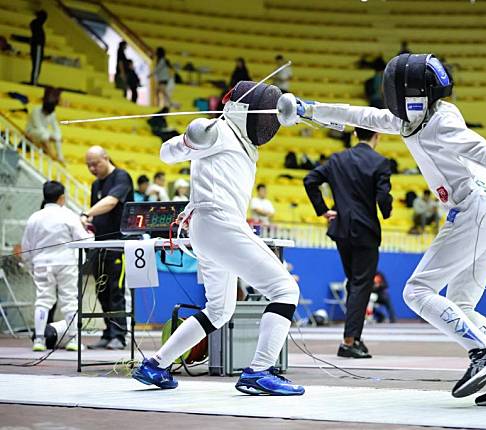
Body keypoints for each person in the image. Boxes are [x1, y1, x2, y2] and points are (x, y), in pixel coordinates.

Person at [292, 53, 486, 405]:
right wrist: (307, 108)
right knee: (461, 306)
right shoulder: (410, 121)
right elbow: (355, 114)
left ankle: (485, 352)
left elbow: (476, 145)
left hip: (474, 210)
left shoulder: (442, 120)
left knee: (416, 292)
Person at [131, 80, 304, 396]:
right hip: (219, 224)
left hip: (208, 228)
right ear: (244, 111)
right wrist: (189, 140)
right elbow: (166, 152)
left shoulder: (240, 140)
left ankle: (156, 364)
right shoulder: (220, 131)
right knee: (285, 289)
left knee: (219, 310)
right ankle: (259, 370)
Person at [304, 127, 393, 359]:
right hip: (365, 230)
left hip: (341, 229)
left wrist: (323, 210)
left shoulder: (337, 158)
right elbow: (383, 197)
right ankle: (349, 341)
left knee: (354, 283)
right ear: (377, 136)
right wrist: (387, 210)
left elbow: (310, 179)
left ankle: (354, 336)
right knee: (361, 284)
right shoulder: (380, 162)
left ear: (355, 135)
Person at [21, 181, 93, 351]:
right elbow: (85, 240)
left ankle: (39, 340)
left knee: (43, 300)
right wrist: (90, 232)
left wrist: (29, 263)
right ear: (62, 198)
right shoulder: (68, 215)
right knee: (69, 301)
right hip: (66, 263)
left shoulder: (34, 217)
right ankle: (74, 340)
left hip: (41, 264)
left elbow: (26, 245)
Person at [82, 146, 134, 350]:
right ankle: (108, 331)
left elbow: (111, 202)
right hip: (100, 244)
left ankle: (120, 335)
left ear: (106, 157)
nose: (92, 168)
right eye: (88, 166)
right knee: (101, 290)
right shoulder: (96, 185)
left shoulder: (122, 177)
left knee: (116, 291)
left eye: (95, 164)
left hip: (118, 245)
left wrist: (86, 214)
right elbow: (98, 214)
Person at [25, 88, 64, 163]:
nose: (47, 115)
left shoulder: (52, 114)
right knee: (45, 135)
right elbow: (38, 126)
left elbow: (56, 127)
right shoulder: (36, 111)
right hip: (32, 131)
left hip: (44, 132)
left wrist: (58, 136)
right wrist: (50, 137)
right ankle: (51, 154)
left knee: (57, 135)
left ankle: (60, 156)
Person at [29, 10, 47, 85]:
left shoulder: (35, 24)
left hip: (35, 46)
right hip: (38, 47)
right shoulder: (37, 25)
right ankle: (34, 82)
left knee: (35, 65)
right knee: (36, 66)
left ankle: (34, 81)